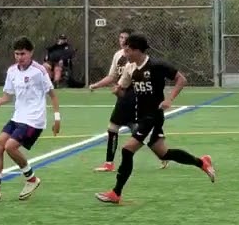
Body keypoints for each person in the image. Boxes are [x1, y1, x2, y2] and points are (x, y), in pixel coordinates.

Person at [95, 33, 215, 204]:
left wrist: (169, 99)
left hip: (153, 116)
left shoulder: (157, 65)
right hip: (142, 116)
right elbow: (123, 91)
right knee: (163, 153)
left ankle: (116, 193)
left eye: (128, 51)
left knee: (127, 150)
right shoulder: (130, 68)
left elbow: (181, 79)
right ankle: (202, 162)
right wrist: (118, 91)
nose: (125, 54)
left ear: (137, 50)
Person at [0, 38, 61, 203]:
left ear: (30, 53)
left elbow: (52, 95)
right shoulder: (12, 71)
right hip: (18, 117)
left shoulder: (39, 71)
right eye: (17, 53)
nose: (19, 57)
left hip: (34, 120)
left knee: (10, 147)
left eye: (23, 53)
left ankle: (31, 179)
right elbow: (7, 96)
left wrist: (57, 119)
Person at [88, 29, 166, 172]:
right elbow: (112, 76)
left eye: (126, 38)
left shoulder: (137, 58)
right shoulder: (118, 55)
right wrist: (97, 85)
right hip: (123, 95)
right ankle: (162, 155)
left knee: (114, 126)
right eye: (121, 37)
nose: (122, 40)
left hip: (133, 95)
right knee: (135, 129)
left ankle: (109, 163)